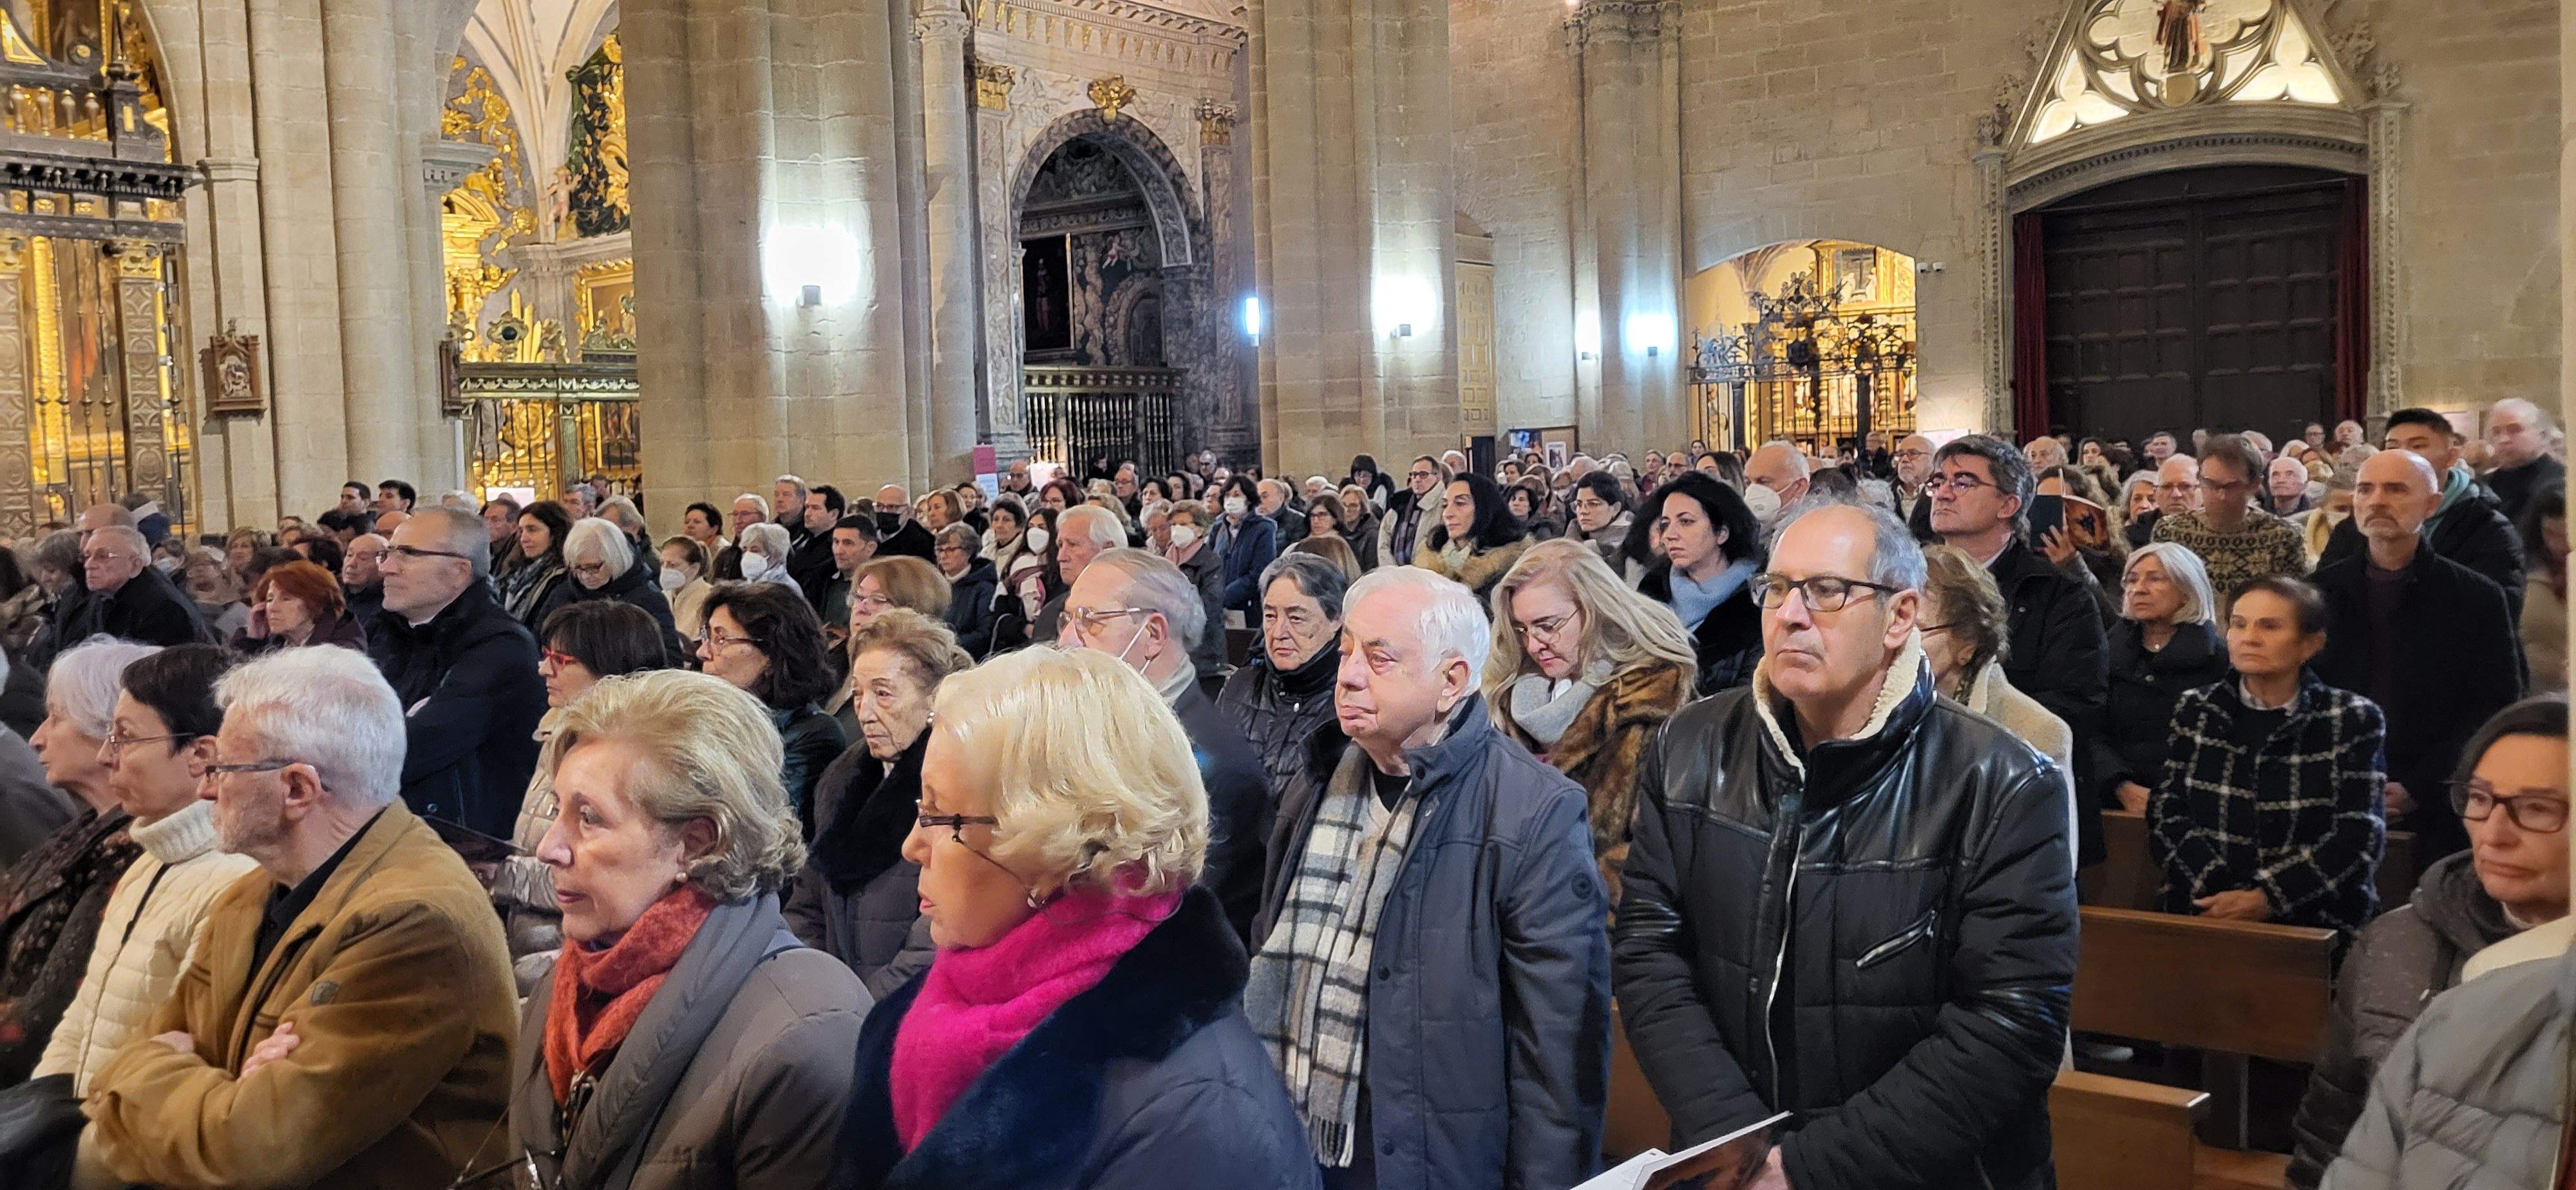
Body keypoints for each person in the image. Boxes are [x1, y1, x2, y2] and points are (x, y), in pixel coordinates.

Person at [1615, 498, 2076, 1190]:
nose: (1790, 615)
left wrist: (1804, 1171)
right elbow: (1651, 948)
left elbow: (2005, 1026)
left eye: (1827, 592)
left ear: (1900, 618)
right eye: (1775, 589)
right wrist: (1740, 1146)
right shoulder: (1690, 747)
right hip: (1734, 1163)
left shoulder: (2001, 780)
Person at [831, 647, 1316, 1190]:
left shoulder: (1196, 1116)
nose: (912, 845)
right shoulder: (934, 1002)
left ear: (1053, 849)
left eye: (941, 817)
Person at [1249, 565, 1608, 1190]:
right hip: (1288, 1128)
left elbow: (1556, 1051)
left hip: (1424, 1154)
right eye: (1347, 651)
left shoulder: (1532, 810)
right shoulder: (1317, 776)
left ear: (1452, 681)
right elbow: (1267, 937)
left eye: (1381, 658)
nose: (1350, 674)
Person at [490, 670, 866, 1189]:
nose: (549, 847)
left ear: (697, 844)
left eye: (590, 818)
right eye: (558, 809)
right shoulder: (566, 988)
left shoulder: (807, 1039)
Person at [2282, 695, 2565, 1188]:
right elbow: (2329, 1133)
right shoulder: (2399, 941)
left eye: (2537, 809)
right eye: (2479, 799)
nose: (2494, 834)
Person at [31, 645, 257, 1095]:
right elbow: (80, 1020)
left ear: (202, 756)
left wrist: (82, 1150)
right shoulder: (147, 856)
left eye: (126, 738)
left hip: (122, 1145)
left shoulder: (233, 884)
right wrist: (38, 1121)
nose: (105, 757)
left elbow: (175, 1067)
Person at [2312, 449, 2523, 860]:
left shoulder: (2475, 596)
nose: (2376, 501)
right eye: (2365, 490)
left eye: (2395, 490)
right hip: (2329, 792)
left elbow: (2493, 702)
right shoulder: (2318, 594)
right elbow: (2303, 694)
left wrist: (2418, 786)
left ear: (2432, 503)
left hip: (2436, 797)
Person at [2152, 576, 2386, 940]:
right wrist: (2217, 888)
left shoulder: (2351, 718)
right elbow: (2167, 810)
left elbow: (2358, 835)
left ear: (2310, 645)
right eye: (2239, 624)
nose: (2249, 638)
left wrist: (2267, 898)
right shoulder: (2197, 707)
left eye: (2270, 626)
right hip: (2205, 907)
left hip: (2316, 918)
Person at [1059, 548, 1271, 940]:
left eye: (1090, 620)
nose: (1067, 639)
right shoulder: (1105, 727)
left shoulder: (1208, 766)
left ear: (1153, 635)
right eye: (1068, 618)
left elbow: (1155, 921)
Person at [1484, 539, 1692, 904]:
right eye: (1523, 630)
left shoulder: (1649, 705)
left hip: (1591, 919)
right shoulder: (1508, 700)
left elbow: (1651, 852)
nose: (1534, 645)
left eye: (1547, 626)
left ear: (1595, 608)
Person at [1931, 434, 2107, 862]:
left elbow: (2076, 702)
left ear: (2008, 506)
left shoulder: (2056, 593)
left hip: (2020, 798)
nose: (1943, 491)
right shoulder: (1908, 583)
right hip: (1928, 799)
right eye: (1939, 480)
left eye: (1964, 482)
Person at [784, 610, 965, 998]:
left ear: (934, 698)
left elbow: (934, 941)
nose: (864, 714)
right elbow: (805, 907)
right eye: (858, 695)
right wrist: (818, 992)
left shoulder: (960, 790)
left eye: (883, 694)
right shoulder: (838, 781)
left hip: (903, 1013)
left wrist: (862, 1008)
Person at [0, 641, 158, 1083]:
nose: (36, 737)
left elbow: (39, 1024)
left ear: (111, 729)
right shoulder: (87, 825)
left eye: (57, 718)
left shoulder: (128, 850)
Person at [492, 601, 671, 986]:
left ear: (607, 668)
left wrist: (499, 874)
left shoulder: (632, 761)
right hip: (528, 939)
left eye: (560, 659)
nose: (543, 669)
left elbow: (593, 873)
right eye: (545, 656)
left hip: (574, 958)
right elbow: (537, 845)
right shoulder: (557, 731)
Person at [370, 507, 548, 838]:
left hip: (469, 842)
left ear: (458, 571)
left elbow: (412, 747)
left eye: (407, 554)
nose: (387, 568)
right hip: (405, 827)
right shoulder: (394, 633)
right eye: (388, 553)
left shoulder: (500, 647)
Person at [1919, 544, 2079, 845]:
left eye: (1917, 628)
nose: (1897, 642)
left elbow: (2046, 874)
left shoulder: (2035, 732)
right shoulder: (1869, 713)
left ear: (1967, 642)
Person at [2318, 407, 2526, 618]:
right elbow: (2323, 600)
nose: (2403, 454)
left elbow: (2497, 611)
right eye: (2392, 447)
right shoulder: (2363, 522)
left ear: (2451, 456)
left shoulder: (2486, 527)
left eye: (2417, 446)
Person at [2091, 542, 2234, 816]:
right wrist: (2121, 785)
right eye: (2131, 580)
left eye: (2155, 579)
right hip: (2112, 801)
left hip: (2197, 806)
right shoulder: (2106, 652)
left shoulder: (2219, 660)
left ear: (2187, 590)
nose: (2139, 588)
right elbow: (2089, 729)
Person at [697, 581, 845, 837]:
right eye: (707, 636)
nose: (702, 652)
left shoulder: (815, 735)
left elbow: (769, 828)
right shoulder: (714, 715)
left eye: (720, 638)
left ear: (771, 655)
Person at [1218, 552, 1346, 805]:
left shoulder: (1351, 702)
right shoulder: (1239, 686)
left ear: (1336, 620)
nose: (1278, 633)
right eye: (1270, 616)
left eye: (1296, 618)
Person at [1633, 473, 1764, 697]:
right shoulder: (1651, 592)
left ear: (1721, 532)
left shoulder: (1756, 603)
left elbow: (1748, 701)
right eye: (1665, 525)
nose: (1670, 536)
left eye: (1686, 522)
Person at [2150, 433, 2309, 611]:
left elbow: (2295, 608)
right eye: (2211, 484)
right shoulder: (2171, 531)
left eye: (2232, 486)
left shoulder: (2282, 537)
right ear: (2200, 479)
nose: (2221, 495)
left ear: (2255, 485)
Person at [548, 515, 688, 666]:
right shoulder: (563, 593)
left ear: (615, 558)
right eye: (578, 568)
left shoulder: (648, 598)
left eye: (594, 567)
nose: (585, 576)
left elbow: (670, 661)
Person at [61, 526, 205, 650]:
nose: (88, 565)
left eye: (103, 556)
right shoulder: (103, 596)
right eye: (87, 556)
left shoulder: (162, 608)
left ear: (135, 563)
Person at [1410, 471, 1530, 601]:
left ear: (1484, 507)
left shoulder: (1511, 563)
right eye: (1445, 505)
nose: (1447, 513)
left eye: (1460, 503)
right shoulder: (1429, 554)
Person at [232, 558, 367, 656]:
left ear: (317, 603)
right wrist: (253, 639)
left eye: (286, 599)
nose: (272, 608)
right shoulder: (276, 641)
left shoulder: (342, 650)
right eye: (269, 599)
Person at [2481, 397, 2564, 525]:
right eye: (2496, 432)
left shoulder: (2563, 481)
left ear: (2542, 434)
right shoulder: (2484, 486)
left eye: (2514, 430)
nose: (2504, 439)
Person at [2519, 483, 2566, 693]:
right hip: (2538, 694)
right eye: (2550, 533)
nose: (2557, 544)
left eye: (2566, 534)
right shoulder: (2527, 570)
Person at [1213, 475, 1282, 622]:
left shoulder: (1263, 528)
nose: (1231, 499)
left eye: (1237, 495)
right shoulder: (1218, 527)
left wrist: (1225, 596)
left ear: (1249, 499)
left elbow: (1259, 573)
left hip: (1248, 609)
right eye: (1227, 495)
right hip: (1217, 608)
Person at [498, 500, 573, 628]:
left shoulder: (563, 577)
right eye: (521, 531)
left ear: (555, 533)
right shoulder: (518, 572)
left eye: (532, 530)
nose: (524, 539)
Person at [933, 522, 999, 657]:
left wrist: (947, 644)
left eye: (950, 550)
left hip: (966, 659)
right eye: (940, 550)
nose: (943, 556)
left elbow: (984, 634)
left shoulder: (984, 587)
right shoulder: (935, 583)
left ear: (968, 552)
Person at [1565, 471, 1637, 579]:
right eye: (1579, 504)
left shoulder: (1634, 545)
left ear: (1615, 509)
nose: (1583, 511)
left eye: (1593, 504)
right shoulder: (1568, 543)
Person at [1376, 455, 1442, 572]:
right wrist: (1391, 570)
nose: (1417, 479)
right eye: (1414, 475)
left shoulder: (1444, 505)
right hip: (1397, 576)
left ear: (1437, 477)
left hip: (1429, 578)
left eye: (1423, 475)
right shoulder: (1401, 503)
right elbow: (1384, 538)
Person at [178, 547, 250, 640]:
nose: (200, 569)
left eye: (206, 564)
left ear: (219, 570)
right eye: (194, 566)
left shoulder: (237, 605)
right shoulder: (184, 604)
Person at [659, 535, 716, 641]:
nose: (665, 570)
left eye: (672, 565)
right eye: (663, 564)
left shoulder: (710, 598)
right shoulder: (663, 596)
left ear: (694, 568)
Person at [735, 520, 801, 590]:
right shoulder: (745, 586)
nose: (747, 555)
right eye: (745, 550)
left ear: (776, 555)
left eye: (755, 551)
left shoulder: (787, 589)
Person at [1338, 484, 1381, 571]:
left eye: (1353, 505)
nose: (1347, 510)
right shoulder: (1339, 530)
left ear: (1362, 508)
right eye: (1344, 505)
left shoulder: (1372, 534)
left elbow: (1371, 568)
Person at [2268, 453, 2316, 517]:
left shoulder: (2315, 516)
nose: (2281, 480)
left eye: (2290, 475)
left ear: (2305, 484)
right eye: (2275, 475)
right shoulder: (2257, 512)